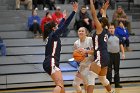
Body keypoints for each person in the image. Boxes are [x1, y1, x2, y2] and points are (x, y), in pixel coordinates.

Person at [42, 2, 78, 93]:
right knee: (59, 85)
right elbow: (64, 26)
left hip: (49, 62)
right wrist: (74, 12)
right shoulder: (54, 35)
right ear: (54, 29)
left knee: (61, 86)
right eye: (56, 26)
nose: (58, 26)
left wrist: (63, 18)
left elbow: (61, 26)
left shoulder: (50, 35)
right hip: (52, 61)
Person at [88, 0, 114, 93]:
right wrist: (105, 9)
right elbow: (104, 18)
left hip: (100, 55)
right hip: (105, 55)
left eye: (99, 21)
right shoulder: (106, 29)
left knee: (91, 76)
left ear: (101, 24)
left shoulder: (100, 29)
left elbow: (93, 14)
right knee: (102, 79)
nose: (97, 21)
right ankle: (111, 92)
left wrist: (91, 3)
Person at [72, 27, 97, 93]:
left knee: (86, 84)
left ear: (86, 33)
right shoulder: (76, 43)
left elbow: (95, 51)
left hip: (90, 64)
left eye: (82, 31)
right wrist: (77, 58)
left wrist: (86, 51)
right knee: (75, 84)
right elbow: (76, 56)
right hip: (82, 65)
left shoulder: (90, 40)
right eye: (79, 31)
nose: (81, 32)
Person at [107, 23, 125, 88]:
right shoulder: (106, 37)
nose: (111, 29)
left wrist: (123, 53)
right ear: (108, 29)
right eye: (110, 28)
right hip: (109, 55)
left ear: (114, 29)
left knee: (116, 70)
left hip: (117, 55)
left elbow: (121, 45)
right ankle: (108, 84)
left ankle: (117, 84)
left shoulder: (118, 36)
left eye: (112, 28)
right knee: (109, 70)